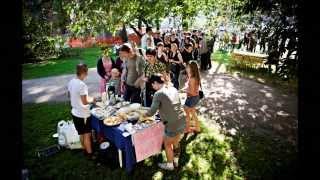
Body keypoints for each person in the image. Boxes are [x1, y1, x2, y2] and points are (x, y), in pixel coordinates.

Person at [143, 74, 186, 170]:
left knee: (167, 144)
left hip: (172, 123)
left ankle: (170, 165)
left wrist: (142, 115)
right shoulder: (173, 88)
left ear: (155, 83)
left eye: (152, 85)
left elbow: (152, 112)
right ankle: (176, 160)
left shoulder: (158, 93)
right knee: (176, 141)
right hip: (182, 119)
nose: (153, 87)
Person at [67, 63, 96, 159]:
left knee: (81, 133)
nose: (87, 74)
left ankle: (84, 149)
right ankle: (90, 154)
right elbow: (84, 102)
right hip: (83, 114)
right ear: (84, 72)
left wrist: (77, 100)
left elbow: (69, 95)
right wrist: (93, 99)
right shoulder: (82, 85)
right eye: (87, 72)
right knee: (87, 135)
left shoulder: (71, 81)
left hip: (75, 112)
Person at [181, 61, 201, 133]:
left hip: (191, 98)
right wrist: (186, 89)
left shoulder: (192, 79)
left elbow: (192, 92)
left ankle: (187, 129)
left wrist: (184, 91)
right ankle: (197, 128)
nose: (186, 68)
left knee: (187, 115)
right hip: (194, 97)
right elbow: (192, 88)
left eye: (188, 67)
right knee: (193, 113)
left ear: (192, 68)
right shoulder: (194, 77)